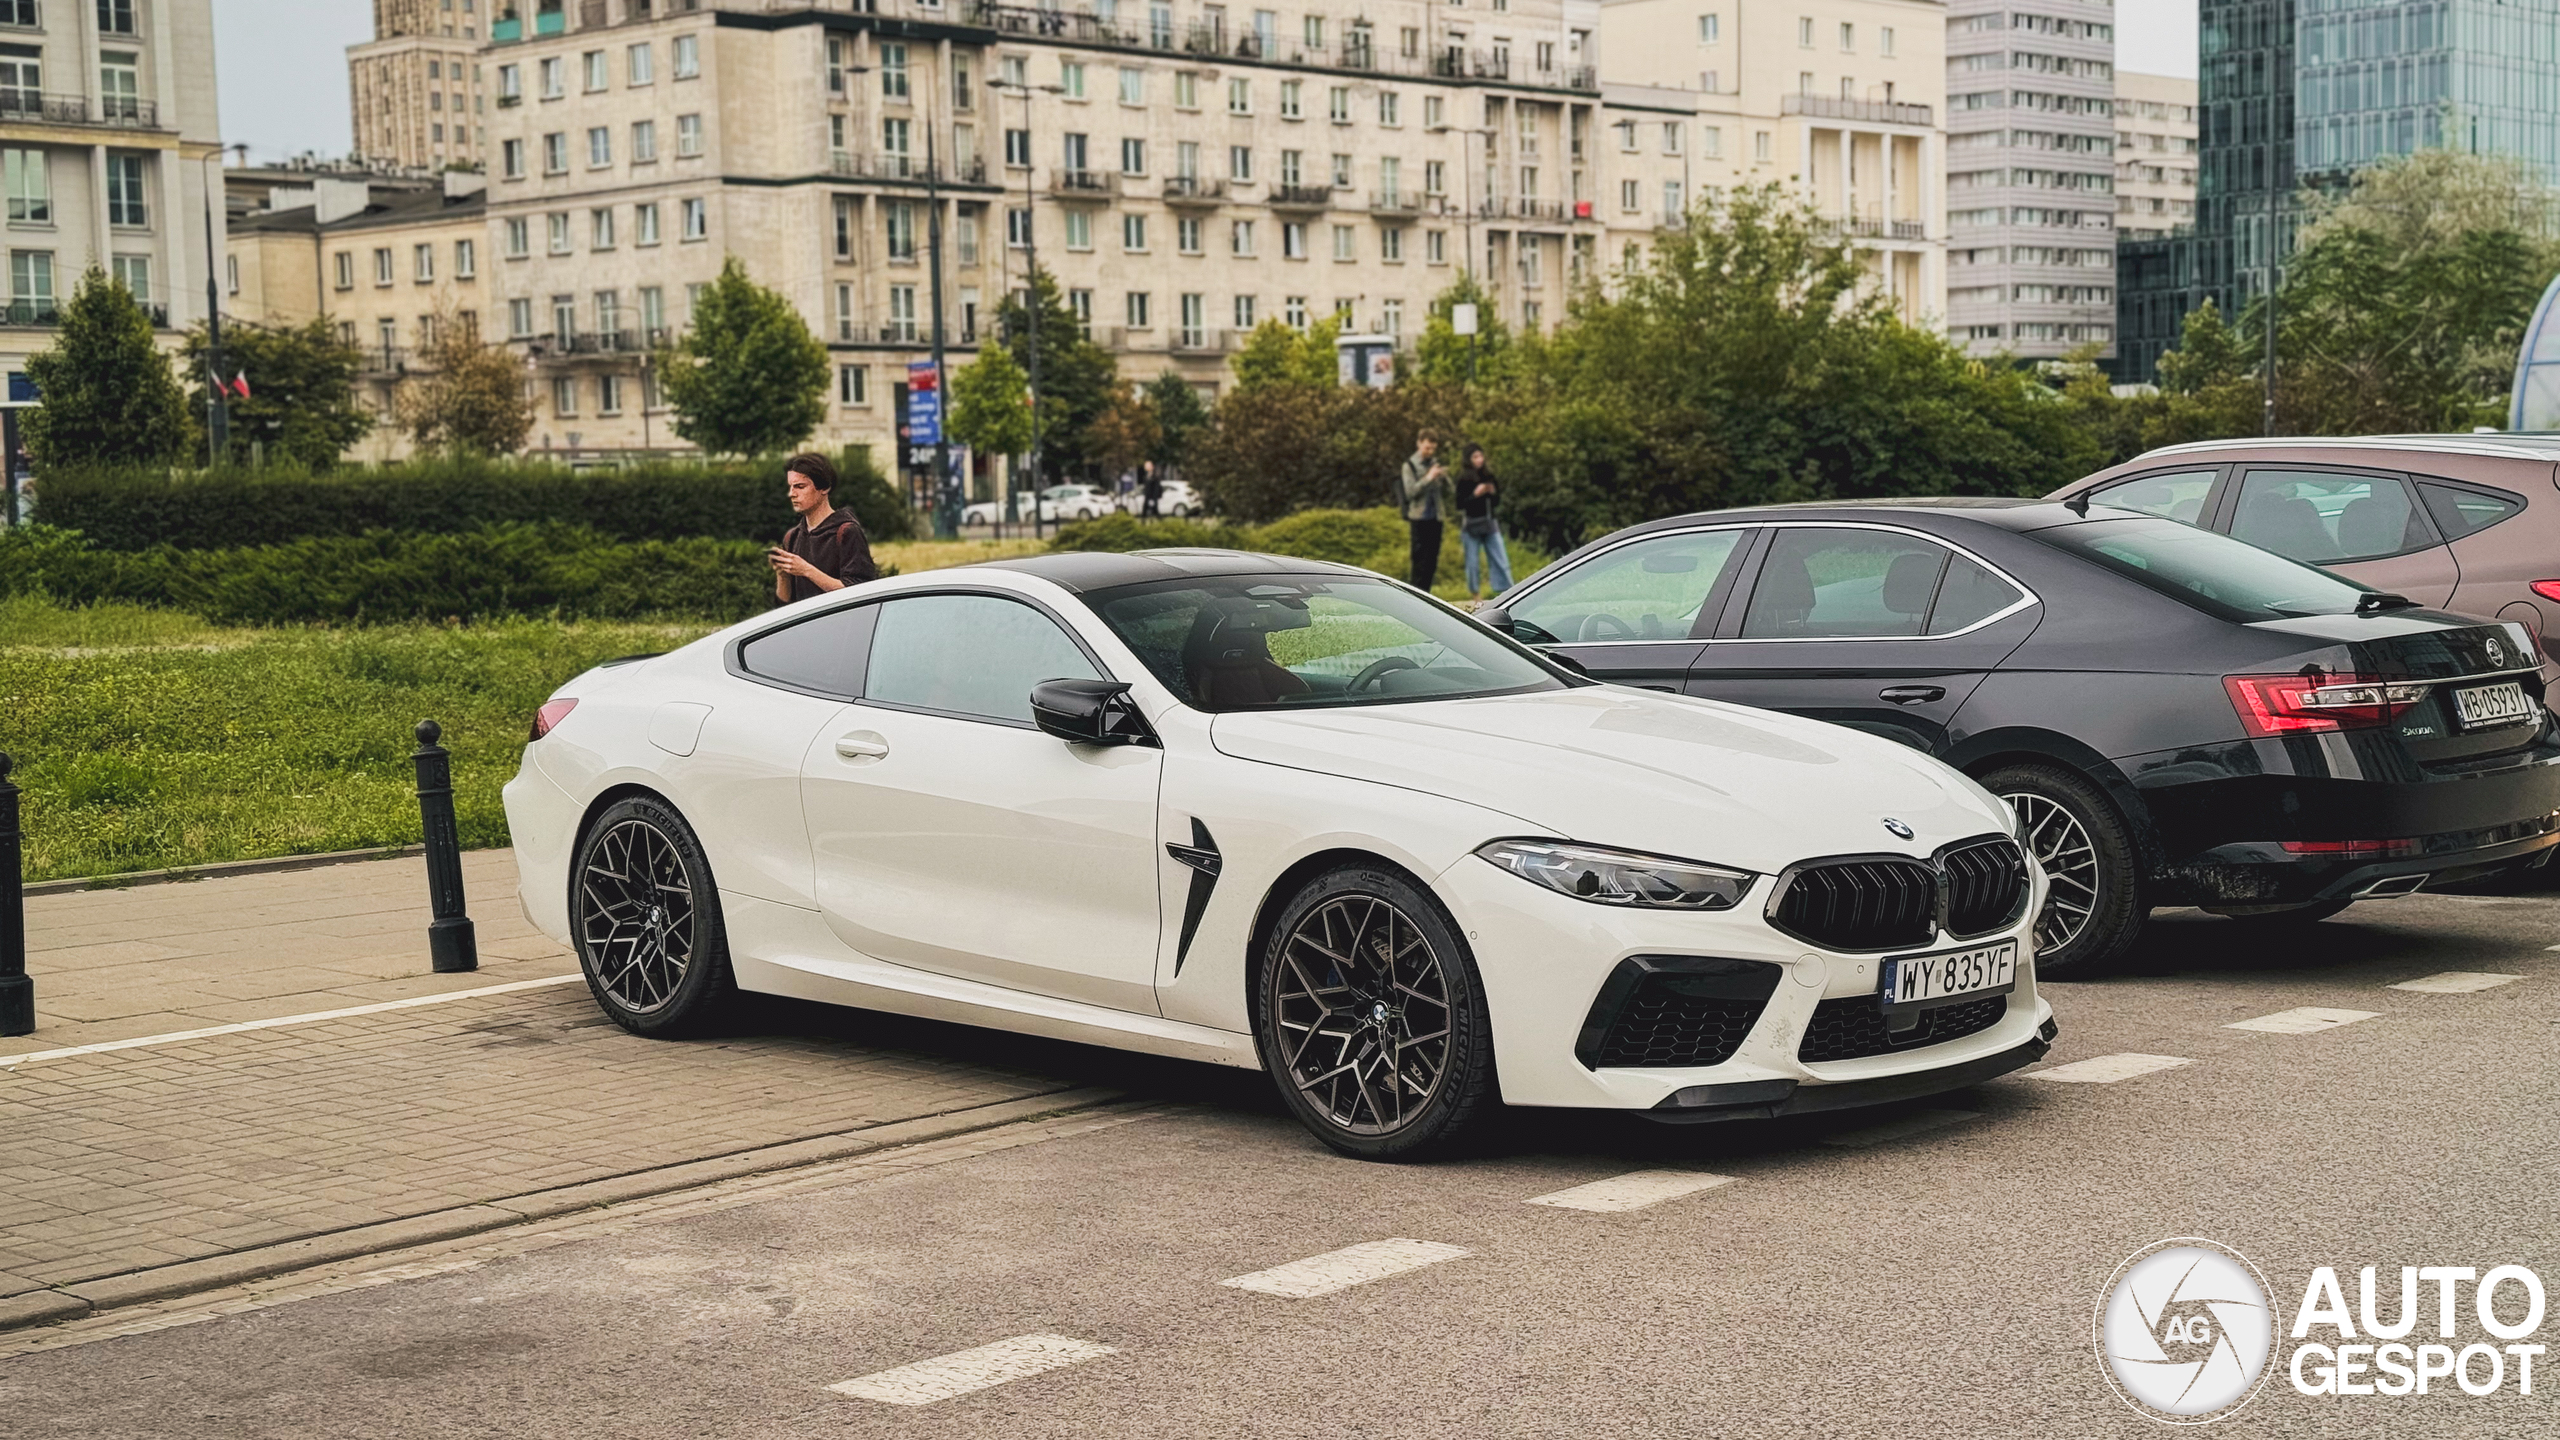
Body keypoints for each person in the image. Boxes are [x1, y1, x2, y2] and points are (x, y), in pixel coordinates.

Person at [768, 452, 880, 606]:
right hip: (806, 628)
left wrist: (806, 570)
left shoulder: (846, 531)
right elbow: (784, 607)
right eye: (791, 487)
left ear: (824, 488)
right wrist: (782, 575)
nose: (792, 494)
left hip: (841, 626)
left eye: (800, 486)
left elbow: (859, 593)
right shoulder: (792, 537)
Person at [1454, 443, 1514, 600]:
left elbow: (1496, 502)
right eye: (1475, 457)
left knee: (1500, 558)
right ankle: (1475, 595)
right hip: (1471, 524)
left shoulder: (1489, 476)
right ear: (1468, 460)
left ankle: (1506, 591)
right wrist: (1475, 494)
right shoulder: (1463, 479)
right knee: (1472, 563)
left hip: (1489, 522)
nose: (1479, 460)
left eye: (1480, 456)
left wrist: (1492, 493)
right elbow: (1459, 504)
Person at [1398, 431, 1454, 592]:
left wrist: (1443, 477)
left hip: (1436, 516)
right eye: (1427, 448)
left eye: (1432, 449)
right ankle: (1415, 593)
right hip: (1419, 517)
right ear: (1419, 443)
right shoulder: (1409, 466)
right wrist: (1429, 478)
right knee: (1419, 560)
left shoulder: (1434, 463)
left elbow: (1449, 492)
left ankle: (1426, 594)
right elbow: (1410, 492)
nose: (1430, 452)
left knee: (1432, 560)